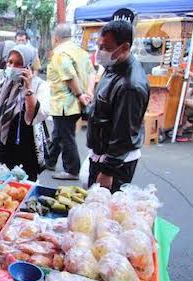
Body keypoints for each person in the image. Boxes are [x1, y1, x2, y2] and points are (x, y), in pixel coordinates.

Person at [86, 20, 150, 192]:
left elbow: (124, 133)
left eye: (105, 47)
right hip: (102, 153)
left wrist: (108, 171)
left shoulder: (131, 85)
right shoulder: (113, 66)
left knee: (102, 209)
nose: (100, 52)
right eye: (99, 46)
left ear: (124, 47)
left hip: (116, 163)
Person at [0, 44, 50, 181]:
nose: (12, 67)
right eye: (10, 62)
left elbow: (35, 116)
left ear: (28, 66)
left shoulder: (40, 86)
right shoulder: (3, 82)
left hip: (24, 148)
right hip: (0, 145)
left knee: (22, 189)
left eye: (19, 64)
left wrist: (28, 89)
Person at [46, 24, 95, 180]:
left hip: (65, 103)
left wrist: (80, 94)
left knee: (66, 135)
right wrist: (89, 92)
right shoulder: (80, 51)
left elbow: (68, 76)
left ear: (55, 38)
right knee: (59, 133)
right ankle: (50, 160)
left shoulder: (60, 53)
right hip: (74, 102)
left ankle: (72, 170)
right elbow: (92, 72)